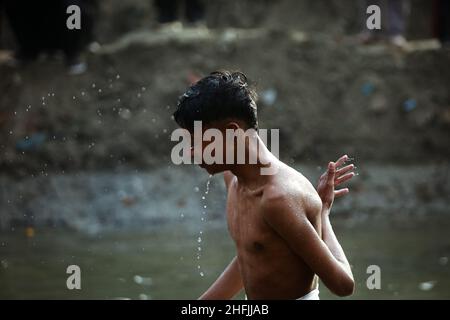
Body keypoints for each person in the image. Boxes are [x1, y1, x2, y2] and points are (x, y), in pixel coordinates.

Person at [173, 70, 355, 300]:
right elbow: (251, 256)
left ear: (231, 134)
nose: (190, 152)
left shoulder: (277, 199)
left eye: (196, 141)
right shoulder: (235, 179)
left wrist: (324, 213)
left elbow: (343, 284)